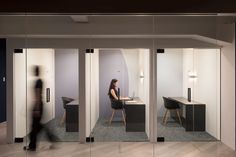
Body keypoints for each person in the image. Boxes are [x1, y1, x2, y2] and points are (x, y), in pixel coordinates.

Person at [24, 66, 57, 151]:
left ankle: (32, 146)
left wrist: (37, 108)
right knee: (37, 126)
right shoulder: (39, 81)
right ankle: (50, 138)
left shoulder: (38, 82)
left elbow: (38, 95)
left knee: (35, 126)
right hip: (38, 105)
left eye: (34, 70)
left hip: (38, 105)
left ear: (36, 71)